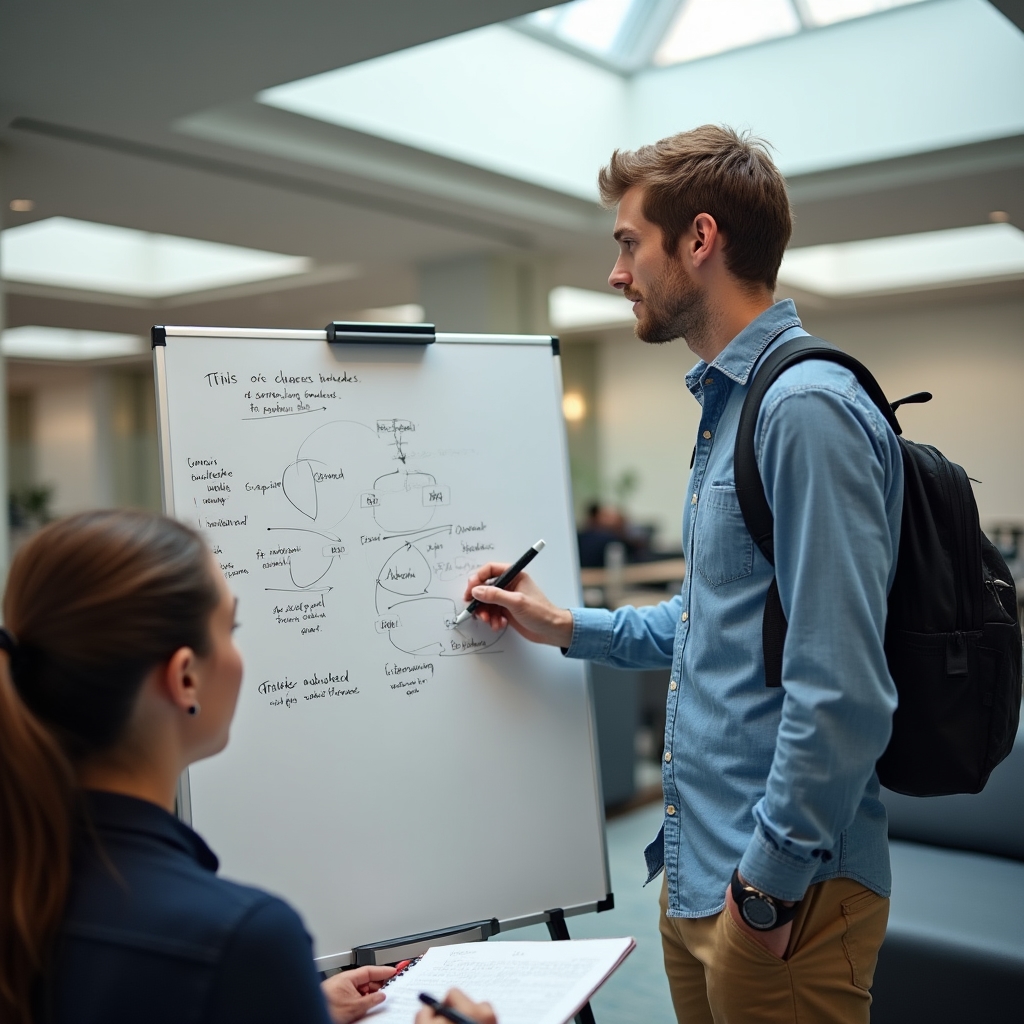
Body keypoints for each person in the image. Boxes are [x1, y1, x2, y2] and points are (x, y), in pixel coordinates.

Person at [463, 126, 902, 1024]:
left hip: (784, 898)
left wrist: (767, 893)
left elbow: (844, 689)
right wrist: (564, 626)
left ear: (699, 241)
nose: (616, 273)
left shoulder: (803, 410)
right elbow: (714, 625)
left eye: (628, 243)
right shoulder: (730, 406)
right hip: (700, 874)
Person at [0, 510, 395, 1024]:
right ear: (184, 677)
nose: (238, 654)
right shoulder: (239, 939)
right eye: (230, 627)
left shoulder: (28, 889)